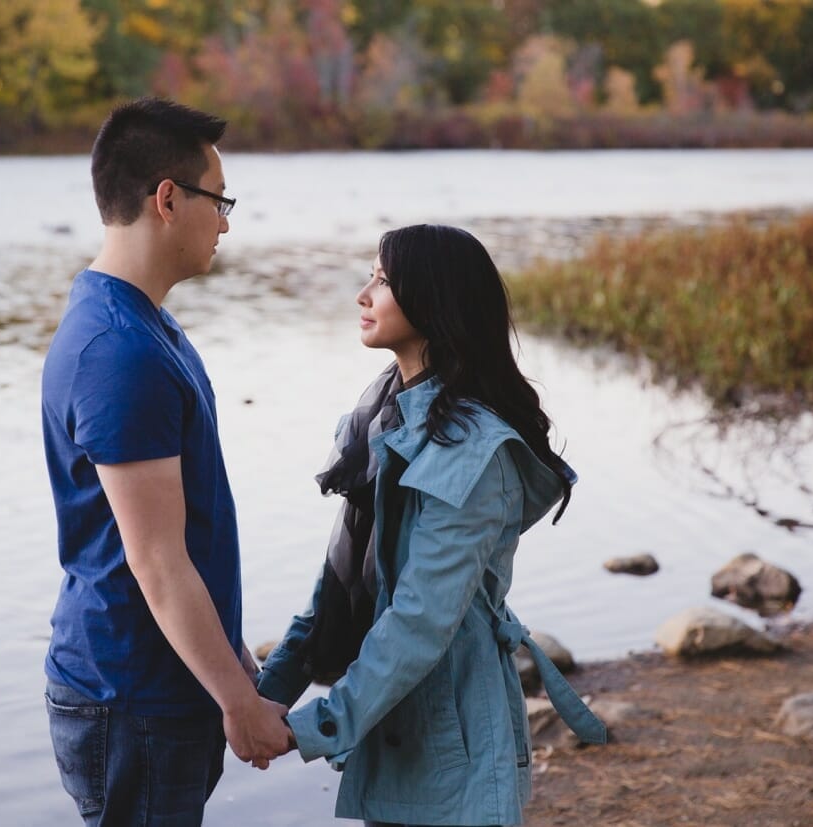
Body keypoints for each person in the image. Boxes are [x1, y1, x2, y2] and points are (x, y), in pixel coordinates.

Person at [258, 224, 607, 827]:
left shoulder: (474, 446)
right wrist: (267, 694)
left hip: (453, 728)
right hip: (394, 711)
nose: (363, 295)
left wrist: (310, 727)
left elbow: (420, 619)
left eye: (384, 281)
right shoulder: (382, 417)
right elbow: (340, 585)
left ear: (435, 300)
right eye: (370, 276)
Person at [40, 98, 290, 827]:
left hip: (155, 685)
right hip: (130, 697)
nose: (227, 221)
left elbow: (182, 536)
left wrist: (233, 661)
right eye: (220, 200)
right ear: (168, 199)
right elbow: (155, 560)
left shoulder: (142, 325)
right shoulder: (119, 351)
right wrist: (239, 705)